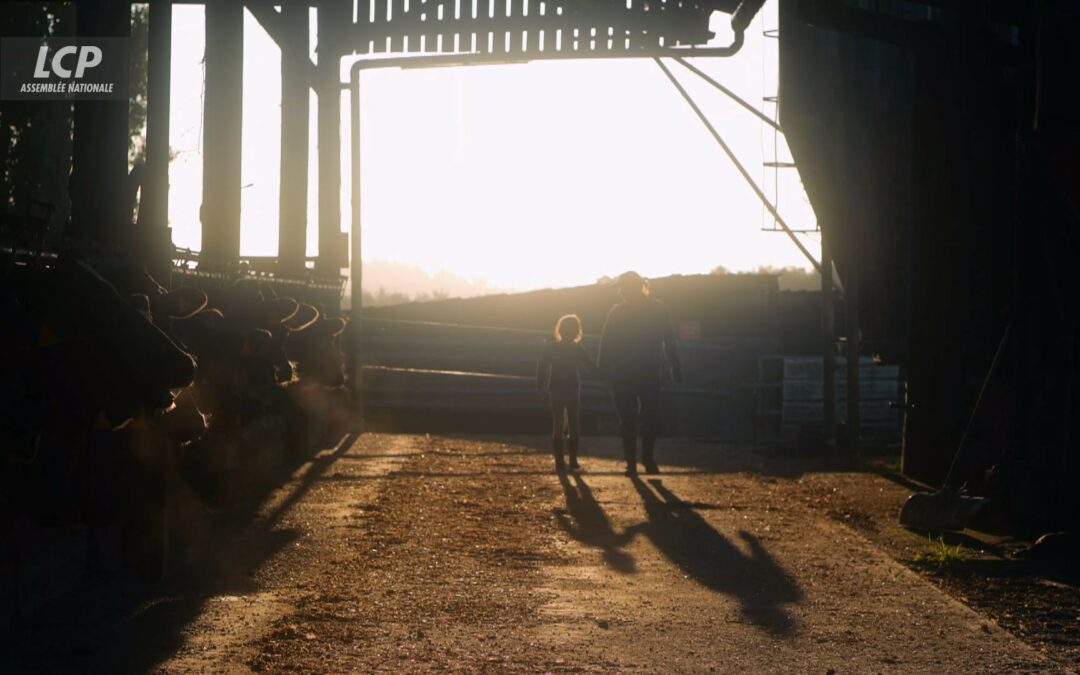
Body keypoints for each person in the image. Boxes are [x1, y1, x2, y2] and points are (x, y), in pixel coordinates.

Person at [598, 271, 682, 476]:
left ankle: (635, 461)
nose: (624, 293)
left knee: (631, 418)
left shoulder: (618, 312)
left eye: (626, 289)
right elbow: (669, 340)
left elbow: (606, 343)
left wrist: (602, 369)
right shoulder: (656, 309)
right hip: (645, 372)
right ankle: (643, 460)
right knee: (645, 416)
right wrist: (675, 366)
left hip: (626, 373)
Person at [537, 314, 594, 473]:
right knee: (574, 423)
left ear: (560, 330)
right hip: (572, 387)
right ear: (576, 331)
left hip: (556, 387)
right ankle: (573, 460)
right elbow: (589, 366)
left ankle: (559, 461)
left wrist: (540, 386)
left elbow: (541, 367)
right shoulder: (577, 348)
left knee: (558, 424)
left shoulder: (551, 347)